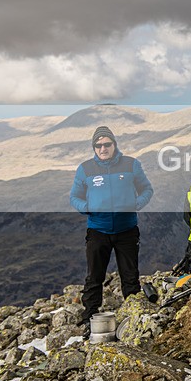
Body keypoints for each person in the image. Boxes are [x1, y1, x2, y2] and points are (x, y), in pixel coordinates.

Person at [70, 126, 153, 335]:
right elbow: (75, 196)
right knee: (94, 276)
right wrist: (86, 208)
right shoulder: (85, 169)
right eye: (98, 145)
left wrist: (137, 203)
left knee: (130, 275)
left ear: (115, 145)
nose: (103, 148)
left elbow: (147, 189)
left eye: (107, 144)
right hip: (98, 230)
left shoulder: (131, 164)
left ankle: (133, 315)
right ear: (94, 148)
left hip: (127, 230)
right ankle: (89, 317)